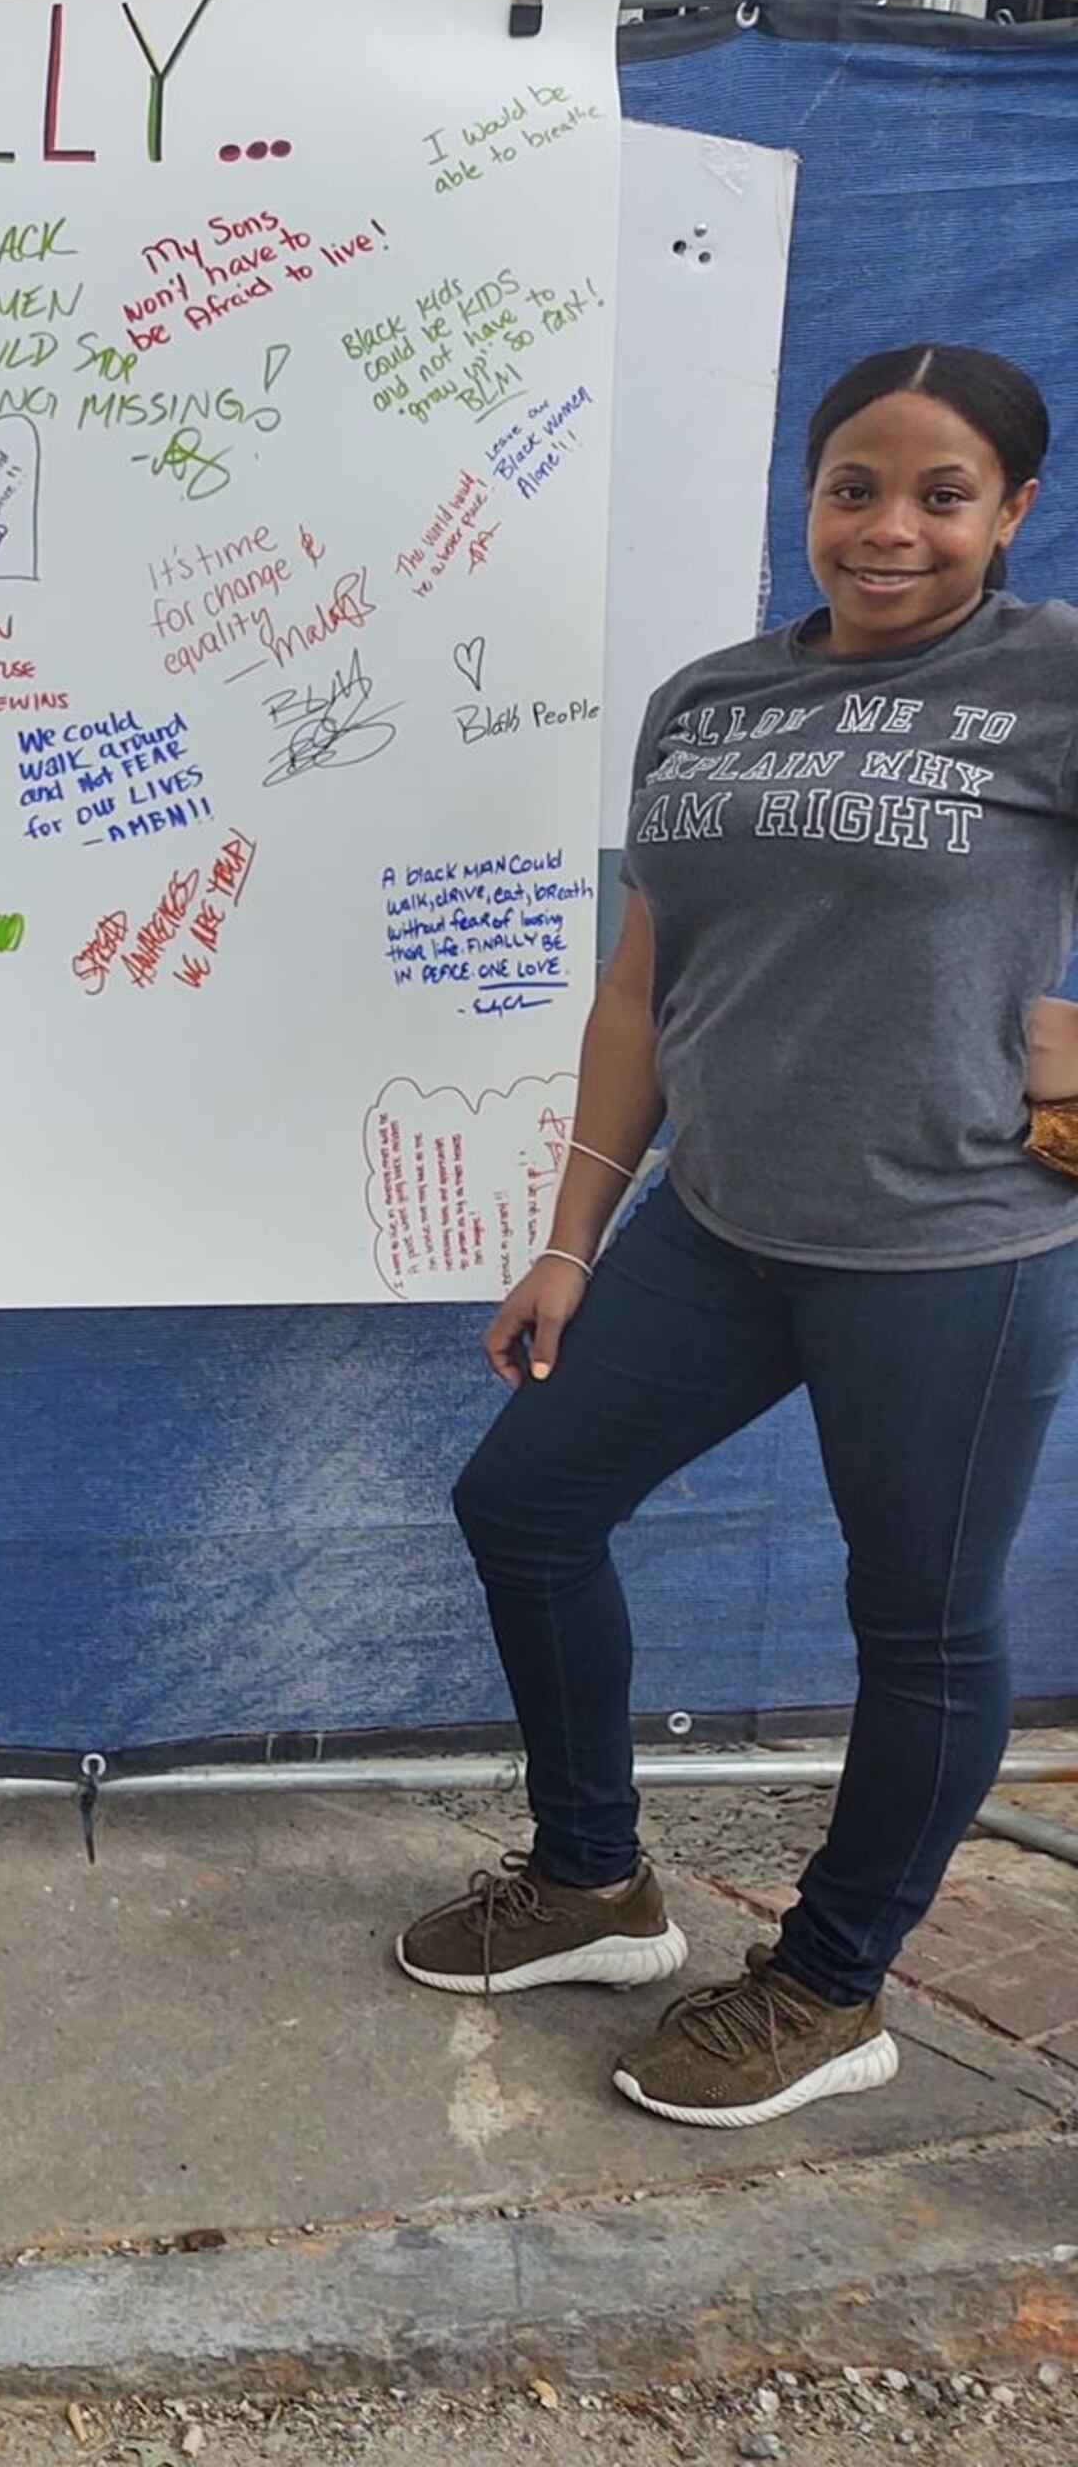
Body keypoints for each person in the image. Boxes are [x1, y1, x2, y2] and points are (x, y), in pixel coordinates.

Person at [397, 342, 1078, 2128]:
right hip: (718, 1222)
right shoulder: (711, 699)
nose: (890, 528)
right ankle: (592, 1883)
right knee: (522, 1507)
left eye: (944, 494)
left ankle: (833, 1986)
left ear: (1014, 509)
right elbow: (643, 980)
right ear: (810, 496)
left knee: (918, 1627)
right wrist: (570, 1236)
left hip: (949, 1254)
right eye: (855, 485)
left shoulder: (1055, 679)